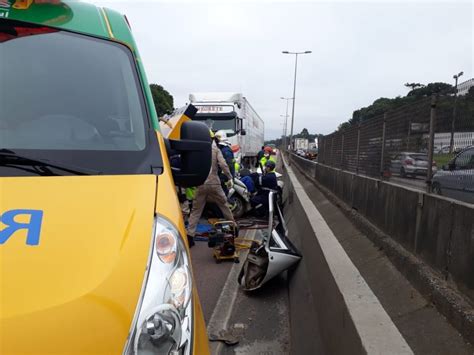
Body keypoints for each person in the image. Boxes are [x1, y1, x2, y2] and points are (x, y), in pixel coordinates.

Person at [186, 131, 235, 247]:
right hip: (215, 184)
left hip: (201, 183)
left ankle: (190, 237)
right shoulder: (216, 149)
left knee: (196, 211)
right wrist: (230, 177)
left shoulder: (198, 150)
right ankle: (233, 229)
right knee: (224, 206)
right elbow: (223, 165)